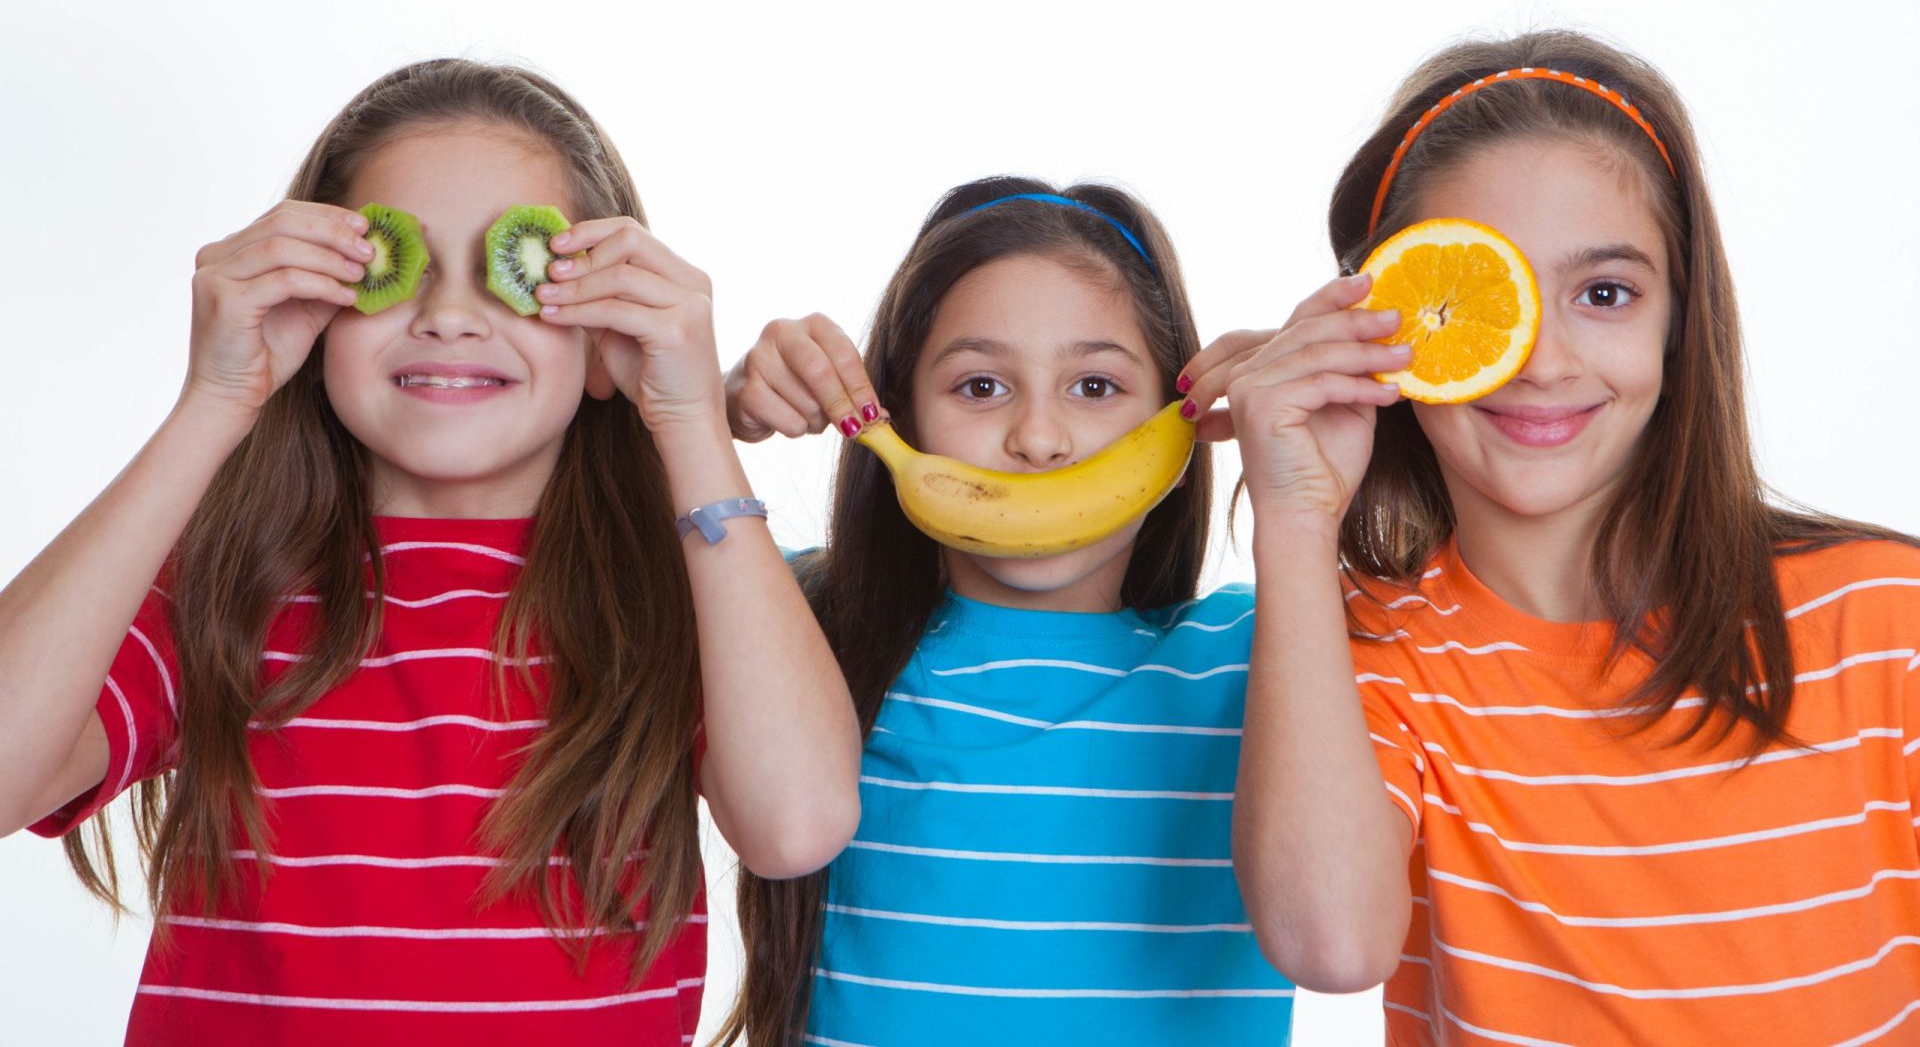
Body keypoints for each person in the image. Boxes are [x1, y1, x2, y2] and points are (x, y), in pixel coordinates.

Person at [0, 59, 862, 1046]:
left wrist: (692, 419)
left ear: (599, 338)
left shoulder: (686, 593)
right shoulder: (219, 581)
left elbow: (797, 826)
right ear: (313, 309)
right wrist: (214, 402)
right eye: (392, 265)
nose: (451, 315)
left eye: (515, 269)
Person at [1192, 31, 1920, 1044]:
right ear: (1381, 333)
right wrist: (1297, 517)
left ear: (1677, 323)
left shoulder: (1886, 619)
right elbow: (1332, 940)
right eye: (1477, 304)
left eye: (1605, 293)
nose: (1539, 361)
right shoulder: (1368, 650)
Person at [718, 178, 1297, 1045]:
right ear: (896, 414)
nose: (1039, 438)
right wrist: (701, 422)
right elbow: (563, 599)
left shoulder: (1268, 651)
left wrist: (1324, 438)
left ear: (1182, 415)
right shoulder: (801, 627)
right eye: (981, 387)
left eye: (1095, 387)